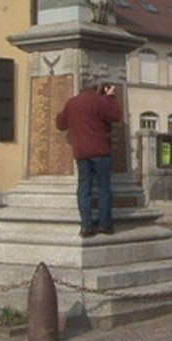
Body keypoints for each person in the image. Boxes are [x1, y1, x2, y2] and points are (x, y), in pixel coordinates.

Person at [55, 82, 122, 237]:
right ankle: (104, 224)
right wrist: (111, 97)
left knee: (84, 189)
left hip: (81, 152)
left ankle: (86, 225)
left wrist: (62, 114)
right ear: (97, 89)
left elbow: (61, 124)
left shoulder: (72, 103)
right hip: (100, 150)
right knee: (104, 188)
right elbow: (116, 116)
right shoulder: (100, 101)